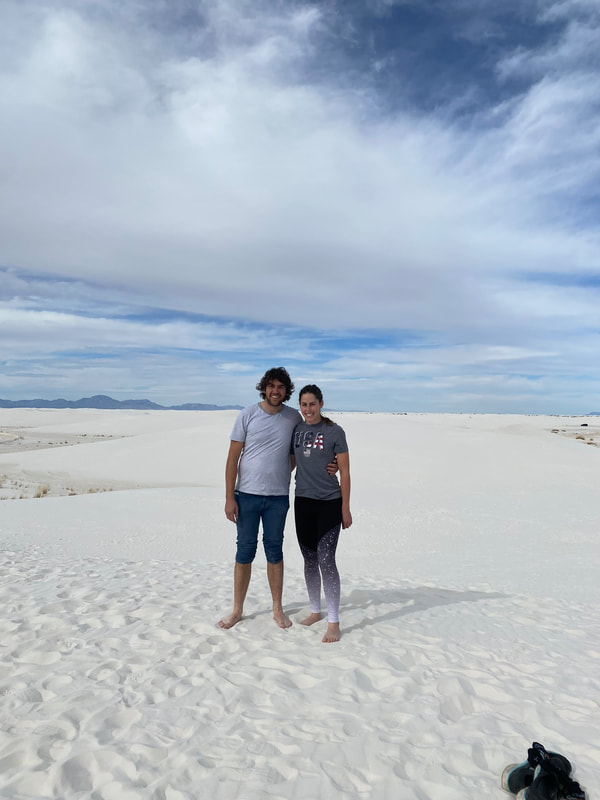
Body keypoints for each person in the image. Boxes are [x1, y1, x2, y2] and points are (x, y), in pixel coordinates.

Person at [219, 367, 300, 630]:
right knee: (244, 550)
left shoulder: (293, 417)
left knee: (274, 550)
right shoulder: (248, 414)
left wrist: (279, 472)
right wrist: (229, 497)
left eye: (281, 387)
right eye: (271, 386)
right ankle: (237, 610)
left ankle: (278, 609)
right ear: (263, 387)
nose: (275, 391)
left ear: (287, 391)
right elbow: (232, 459)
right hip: (247, 496)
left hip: (277, 498)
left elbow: (299, 451)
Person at [292, 385, 352, 643]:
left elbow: (346, 471)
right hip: (302, 501)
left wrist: (345, 508)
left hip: (329, 502)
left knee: (327, 560)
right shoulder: (297, 430)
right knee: (309, 558)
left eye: (312, 404)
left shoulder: (334, 431)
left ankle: (334, 621)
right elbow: (291, 460)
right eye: (304, 405)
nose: (308, 410)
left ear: (321, 403)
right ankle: (315, 610)